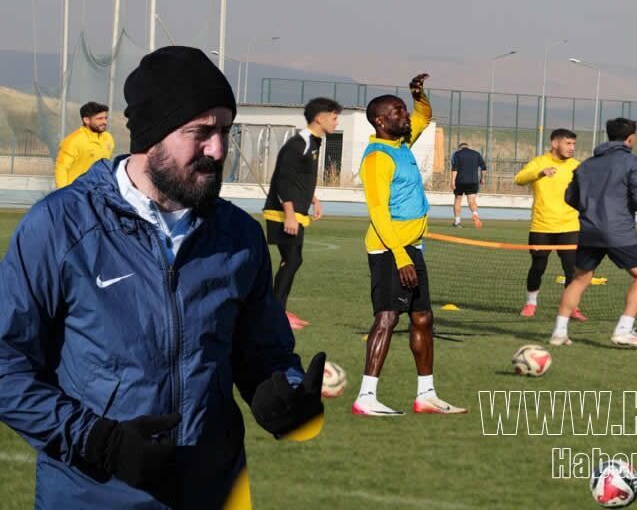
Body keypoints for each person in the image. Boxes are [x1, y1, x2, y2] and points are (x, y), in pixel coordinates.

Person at [0, 46, 325, 509]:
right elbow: (7, 365)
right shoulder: (59, 227)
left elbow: (263, 353)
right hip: (92, 496)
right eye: (201, 132)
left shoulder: (239, 236)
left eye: (225, 131)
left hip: (215, 492)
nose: (218, 150)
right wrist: (97, 440)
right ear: (151, 135)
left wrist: (284, 395)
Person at [353, 75, 465, 416]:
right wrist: (400, 257)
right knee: (387, 317)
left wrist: (418, 95)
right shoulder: (377, 158)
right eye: (398, 112)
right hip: (390, 250)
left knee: (423, 318)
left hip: (411, 248)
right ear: (380, 121)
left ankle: (426, 395)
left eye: (404, 110)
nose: (405, 116)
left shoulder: (402, 144)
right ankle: (366, 397)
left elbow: (424, 115)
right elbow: (378, 213)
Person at [550, 117, 637, 348]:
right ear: (630, 138)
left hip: (589, 231)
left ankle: (559, 333)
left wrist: (591, 211)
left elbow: (570, 197)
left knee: (580, 279)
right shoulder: (633, 163)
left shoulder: (585, 165)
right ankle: (624, 330)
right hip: (619, 232)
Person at [263, 97, 343, 329]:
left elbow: (301, 177)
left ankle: (278, 309)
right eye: (334, 118)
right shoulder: (298, 144)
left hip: (296, 211)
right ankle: (275, 313)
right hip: (282, 213)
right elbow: (284, 180)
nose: (336, 122)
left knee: (293, 260)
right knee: (292, 259)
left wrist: (313, 199)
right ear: (319, 118)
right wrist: (289, 214)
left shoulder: (314, 142)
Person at [514, 128, 586, 320]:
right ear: (555, 143)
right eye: (568, 143)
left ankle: (572, 307)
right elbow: (519, 179)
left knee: (572, 270)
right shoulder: (539, 162)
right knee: (538, 267)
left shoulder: (577, 166)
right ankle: (531, 304)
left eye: (573, 144)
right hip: (542, 226)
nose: (572, 148)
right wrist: (540, 173)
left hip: (570, 226)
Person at [54, 101, 115, 188]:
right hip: (77, 191)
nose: (104, 122)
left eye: (105, 118)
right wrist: (63, 193)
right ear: (86, 120)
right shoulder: (73, 140)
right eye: (99, 119)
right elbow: (61, 168)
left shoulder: (108, 138)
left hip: (99, 191)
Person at [449, 142, 486, 228]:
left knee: (458, 200)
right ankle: (475, 214)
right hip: (473, 181)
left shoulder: (457, 154)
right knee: (472, 200)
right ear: (468, 147)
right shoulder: (476, 154)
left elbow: (455, 168)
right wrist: (483, 178)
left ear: (460, 148)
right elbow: (483, 167)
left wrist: (452, 181)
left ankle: (457, 222)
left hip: (460, 181)